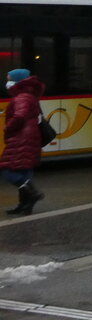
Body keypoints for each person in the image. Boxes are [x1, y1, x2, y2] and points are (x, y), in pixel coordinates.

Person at [2, 68, 46, 215]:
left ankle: (32, 193)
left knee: (7, 170)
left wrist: (8, 128)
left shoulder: (22, 96)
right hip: (29, 136)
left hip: (22, 137)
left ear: (18, 81)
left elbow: (20, 116)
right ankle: (25, 205)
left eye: (9, 79)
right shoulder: (28, 94)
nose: (7, 82)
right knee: (24, 170)